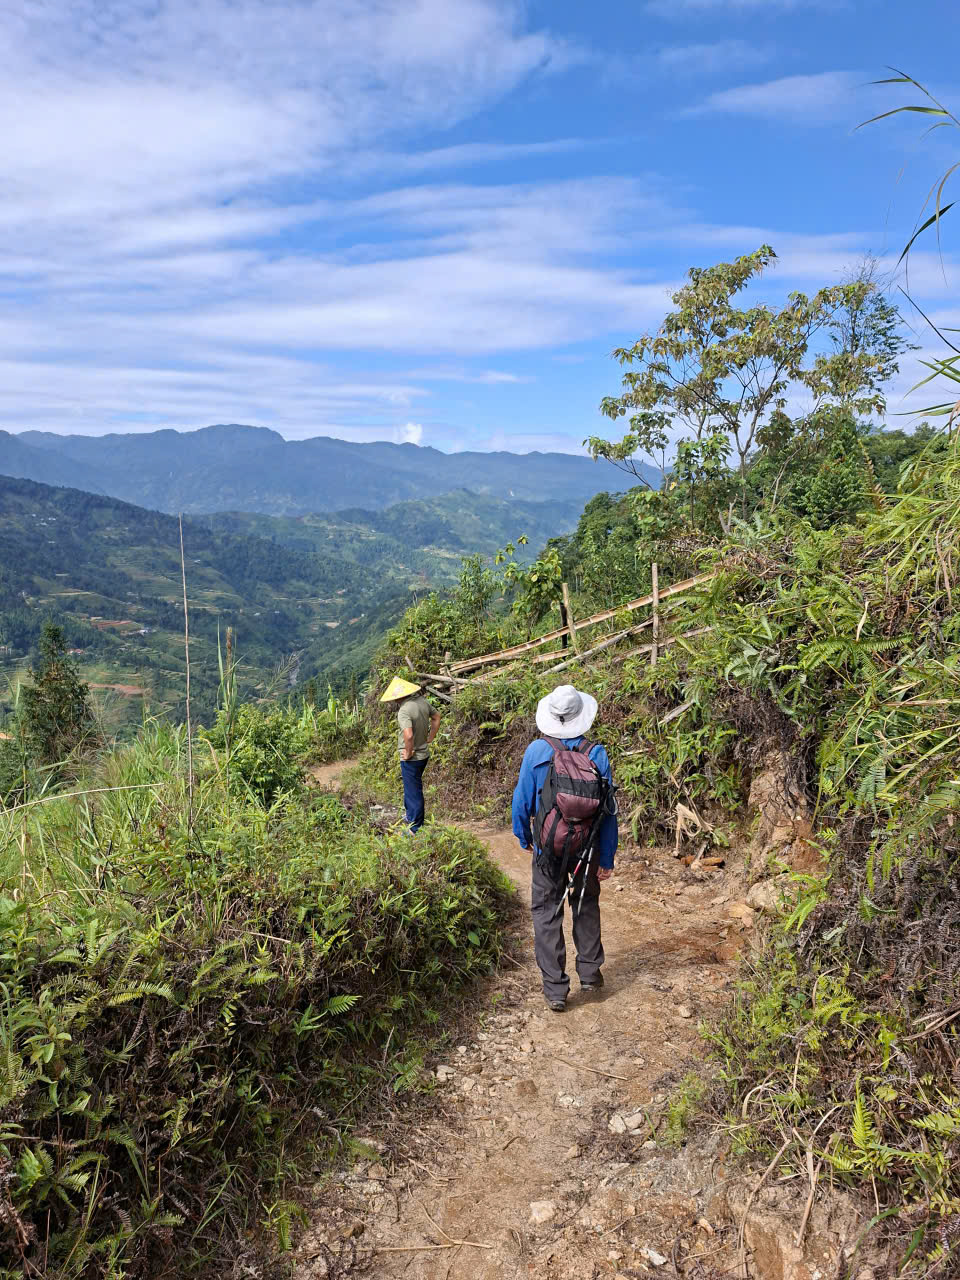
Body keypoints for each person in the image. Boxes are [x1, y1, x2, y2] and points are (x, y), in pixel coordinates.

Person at [512, 684, 617, 1012]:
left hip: (547, 848)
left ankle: (556, 989)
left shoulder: (536, 752)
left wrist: (524, 836)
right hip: (586, 848)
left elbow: (521, 801)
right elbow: (609, 811)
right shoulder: (596, 753)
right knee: (585, 905)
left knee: (546, 912)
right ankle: (589, 974)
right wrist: (606, 855)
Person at [380, 676, 442, 832]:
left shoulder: (404, 710)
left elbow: (408, 735)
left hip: (412, 758)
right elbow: (437, 717)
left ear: (401, 695)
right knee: (411, 788)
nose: (394, 701)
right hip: (424, 755)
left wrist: (408, 753)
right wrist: (431, 737)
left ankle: (415, 828)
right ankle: (410, 816)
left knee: (413, 792)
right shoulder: (422, 702)